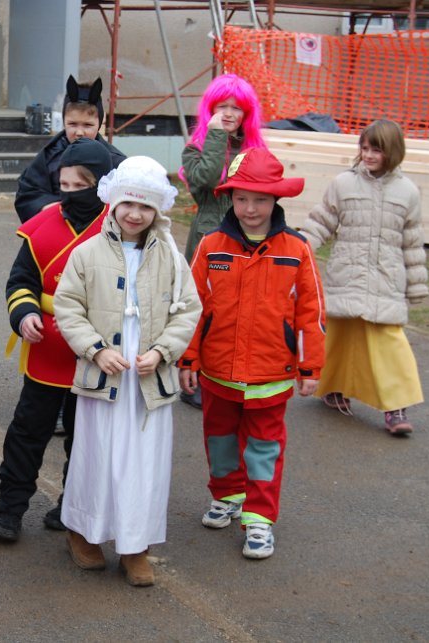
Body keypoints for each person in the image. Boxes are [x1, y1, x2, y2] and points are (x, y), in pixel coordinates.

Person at [53, 157, 201, 586]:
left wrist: (163, 351)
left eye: (145, 206)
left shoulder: (171, 256)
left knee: (145, 461)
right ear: (113, 203)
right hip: (105, 372)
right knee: (97, 454)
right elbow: (68, 307)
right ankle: (84, 532)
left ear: (157, 209)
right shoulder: (86, 253)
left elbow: (188, 309)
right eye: (128, 204)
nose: (135, 214)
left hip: (149, 374)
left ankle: (136, 545)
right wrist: (95, 350)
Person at [178, 147, 325, 560]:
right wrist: (188, 358)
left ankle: (259, 518)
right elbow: (191, 306)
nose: (249, 208)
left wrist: (310, 366)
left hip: (270, 375)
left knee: (264, 449)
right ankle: (227, 494)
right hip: (217, 373)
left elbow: (311, 313)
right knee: (220, 440)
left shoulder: (297, 249)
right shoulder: (211, 245)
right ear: (231, 197)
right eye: (241, 198)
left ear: (276, 199)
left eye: (260, 200)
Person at [0, 137, 113, 542]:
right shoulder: (42, 224)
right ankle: (10, 510)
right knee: (27, 433)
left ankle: (70, 505)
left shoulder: (118, 227)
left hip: (96, 354)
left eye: (81, 186)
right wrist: (24, 314)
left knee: (85, 438)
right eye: (64, 185)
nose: (70, 194)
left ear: (101, 184)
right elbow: (20, 281)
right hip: (45, 351)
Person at [300, 119, 427, 435]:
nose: (368, 155)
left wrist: (417, 284)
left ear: (392, 152)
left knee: (389, 346)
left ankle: (396, 408)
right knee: (340, 339)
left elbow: (412, 241)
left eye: (376, 150)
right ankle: (333, 388)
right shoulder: (343, 184)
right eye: (365, 148)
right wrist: (296, 255)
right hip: (346, 275)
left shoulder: (408, 192)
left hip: (386, 280)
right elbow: (321, 222)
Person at [178, 73, 267, 409]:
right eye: (222, 106)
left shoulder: (254, 150)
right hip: (209, 237)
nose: (229, 113)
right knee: (203, 309)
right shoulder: (195, 149)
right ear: (210, 109)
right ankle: (192, 377)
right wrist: (216, 136)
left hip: (248, 239)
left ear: (247, 113)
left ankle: (229, 374)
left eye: (236, 108)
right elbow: (205, 181)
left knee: (240, 309)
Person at [14, 75, 126, 223]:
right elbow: (27, 193)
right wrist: (46, 207)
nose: (79, 132)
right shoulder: (49, 156)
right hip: (57, 227)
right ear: (64, 121)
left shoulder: (117, 162)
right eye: (72, 124)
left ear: (99, 123)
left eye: (87, 125)